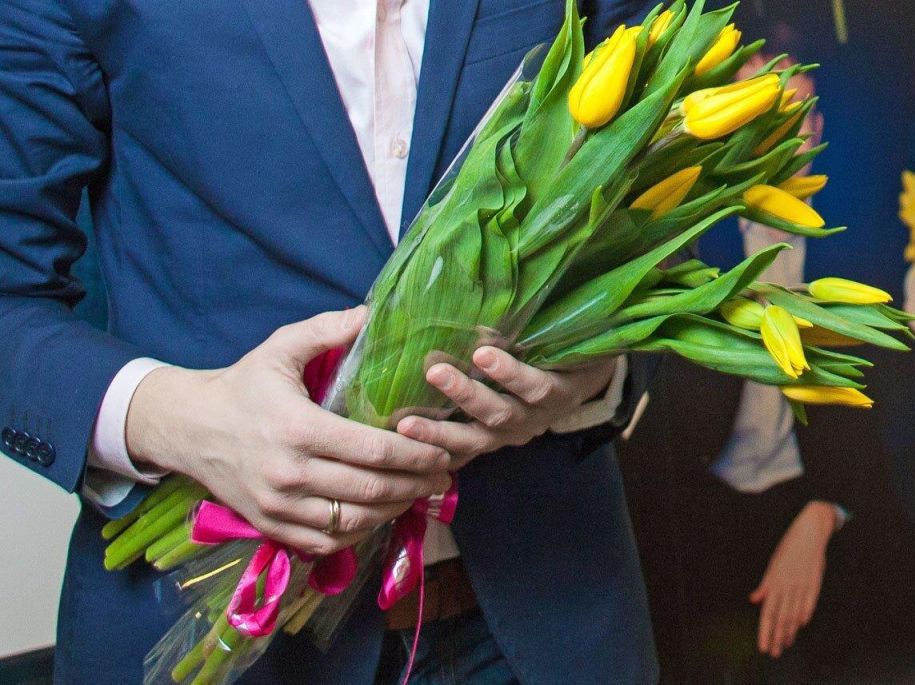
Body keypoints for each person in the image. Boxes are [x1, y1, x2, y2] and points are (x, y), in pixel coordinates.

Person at [0, 1, 660, 683]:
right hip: (208, 630)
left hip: (548, 618)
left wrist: (594, 369)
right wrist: (187, 424)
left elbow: (659, 188)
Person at [622, 56, 889, 683]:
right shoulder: (681, 238)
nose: (793, 128)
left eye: (805, 112)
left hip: (811, 495)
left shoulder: (860, 238)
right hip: (697, 506)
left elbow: (881, 418)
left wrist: (825, 512)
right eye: (768, 110)